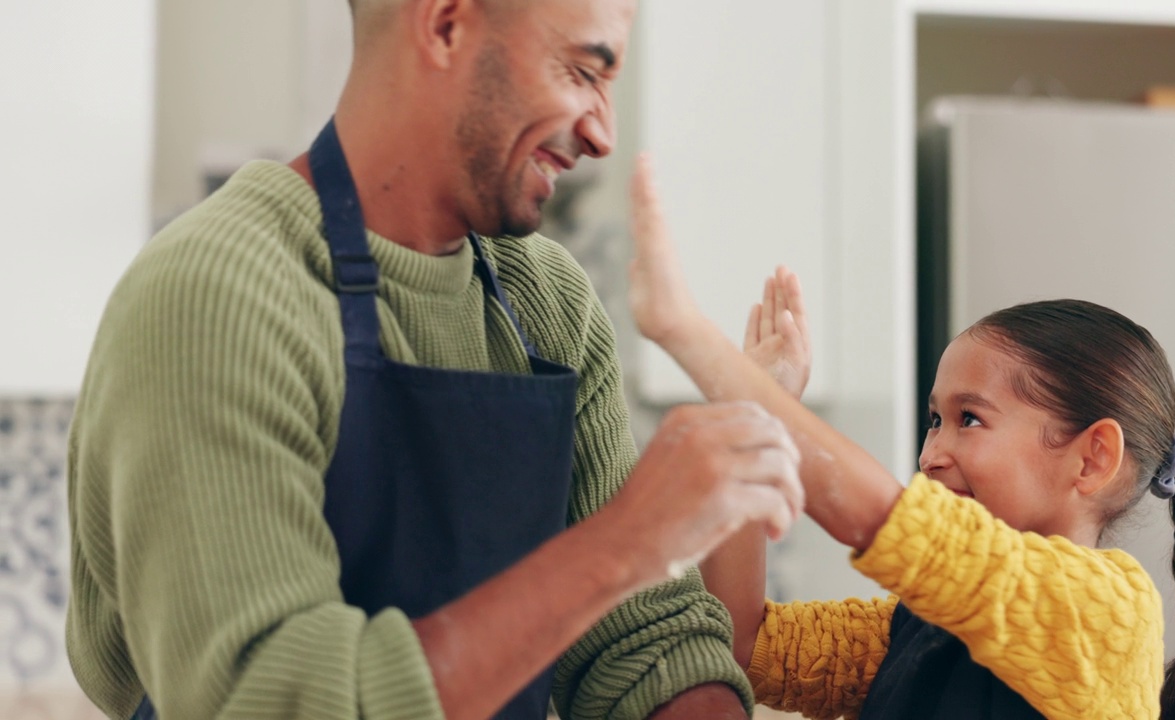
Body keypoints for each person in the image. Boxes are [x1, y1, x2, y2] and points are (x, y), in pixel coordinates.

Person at [64, 2, 807, 719]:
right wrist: (629, 542)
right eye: (583, 71)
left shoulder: (545, 302)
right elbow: (269, 701)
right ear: (447, 24)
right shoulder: (217, 295)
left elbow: (645, 647)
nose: (604, 132)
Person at [627, 156, 1175, 719]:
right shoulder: (916, 627)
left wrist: (693, 340)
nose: (930, 455)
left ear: (1092, 458)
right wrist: (752, 412)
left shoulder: (1107, 613)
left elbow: (886, 519)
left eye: (970, 419)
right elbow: (746, 645)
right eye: (934, 419)